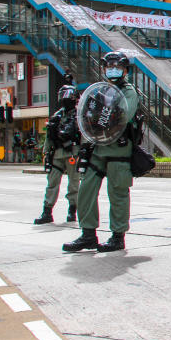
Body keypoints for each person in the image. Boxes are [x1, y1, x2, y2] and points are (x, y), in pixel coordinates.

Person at [63, 51, 140, 253]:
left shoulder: (128, 92)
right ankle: (88, 234)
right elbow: (88, 116)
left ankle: (118, 236)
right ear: (104, 69)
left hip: (119, 149)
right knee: (86, 190)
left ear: (125, 70)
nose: (113, 70)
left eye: (118, 67)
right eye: (109, 67)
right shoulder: (99, 91)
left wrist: (104, 116)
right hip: (97, 148)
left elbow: (122, 116)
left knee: (118, 193)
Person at [34, 85, 81, 225]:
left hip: (73, 152)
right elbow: (49, 136)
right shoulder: (57, 116)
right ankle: (47, 211)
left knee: (74, 184)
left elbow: (84, 134)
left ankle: (72, 210)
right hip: (57, 154)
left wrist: (84, 152)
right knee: (52, 183)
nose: (66, 99)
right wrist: (46, 154)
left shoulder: (79, 115)